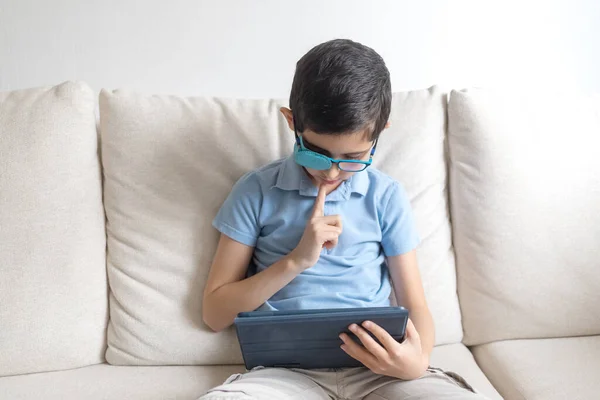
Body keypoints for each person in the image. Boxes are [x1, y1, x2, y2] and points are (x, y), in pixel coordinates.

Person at [199, 39, 486, 400]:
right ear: (292, 123)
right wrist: (296, 261)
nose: (332, 173)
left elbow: (416, 306)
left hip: (380, 370)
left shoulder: (386, 196)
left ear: (380, 134)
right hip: (283, 375)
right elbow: (214, 314)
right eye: (317, 155)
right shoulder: (256, 191)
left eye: (353, 158)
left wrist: (416, 362)